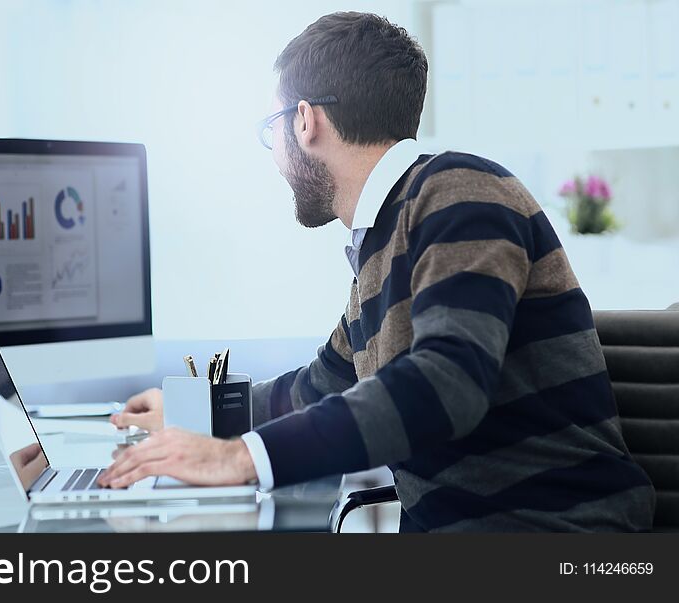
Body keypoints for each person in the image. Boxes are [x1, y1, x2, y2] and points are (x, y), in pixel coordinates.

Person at [98, 12, 655, 532]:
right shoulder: (381, 243)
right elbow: (316, 389)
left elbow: (446, 383)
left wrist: (239, 459)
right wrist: (192, 413)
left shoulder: (460, 192)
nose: (273, 154)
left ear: (304, 121)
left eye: (273, 130)